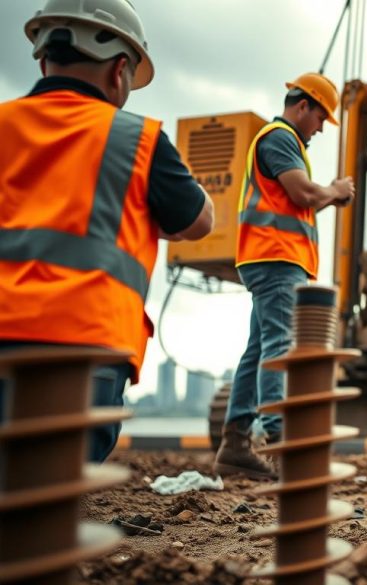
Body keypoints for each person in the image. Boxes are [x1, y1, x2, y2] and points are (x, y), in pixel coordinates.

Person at [0, 0, 214, 462]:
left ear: (42, 57)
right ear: (120, 70)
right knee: (51, 493)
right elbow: (198, 221)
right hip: (87, 345)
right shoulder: (137, 139)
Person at [215, 72, 355, 479]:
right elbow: (305, 194)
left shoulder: (281, 141)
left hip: (267, 257)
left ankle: (235, 443)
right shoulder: (279, 138)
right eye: (320, 118)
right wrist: (333, 189)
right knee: (279, 344)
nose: (320, 128)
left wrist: (327, 194)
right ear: (303, 106)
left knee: (258, 348)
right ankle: (282, 442)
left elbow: (301, 203)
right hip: (276, 258)